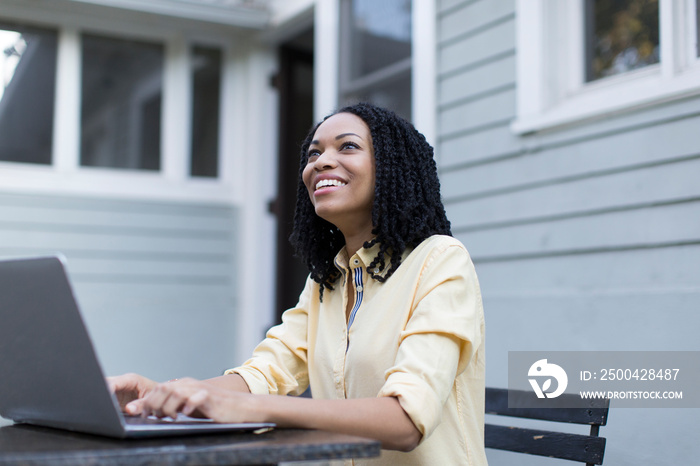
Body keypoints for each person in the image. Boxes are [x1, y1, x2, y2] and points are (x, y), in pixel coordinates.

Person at [109, 102, 487, 465]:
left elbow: (406, 420)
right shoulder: (327, 281)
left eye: (348, 147)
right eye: (313, 154)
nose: (320, 162)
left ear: (392, 166)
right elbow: (265, 374)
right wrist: (163, 395)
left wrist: (248, 409)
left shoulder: (439, 261)